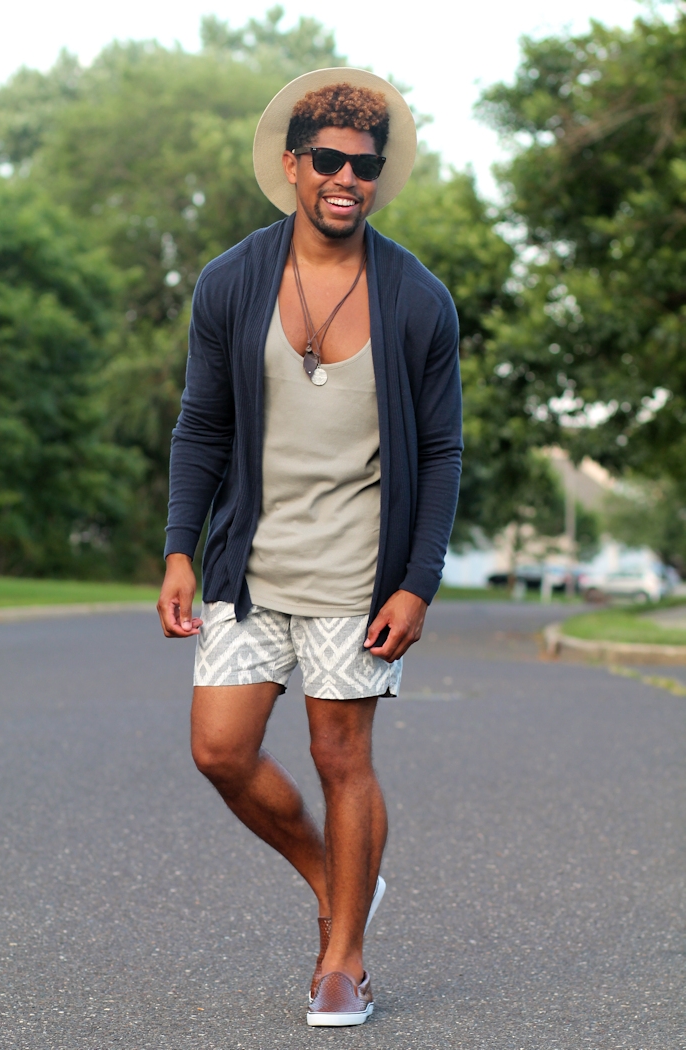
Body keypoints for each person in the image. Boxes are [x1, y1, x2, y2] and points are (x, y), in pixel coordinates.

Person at [157, 67, 463, 1027]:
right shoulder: (231, 281)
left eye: (363, 166)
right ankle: (342, 878)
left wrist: (417, 583)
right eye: (327, 160)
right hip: (249, 567)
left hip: (358, 575)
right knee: (220, 750)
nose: (345, 179)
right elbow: (202, 426)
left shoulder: (418, 300)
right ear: (292, 165)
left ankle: (345, 962)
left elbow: (443, 452)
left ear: (378, 177)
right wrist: (179, 548)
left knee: (341, 756)